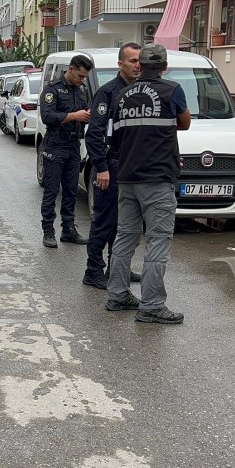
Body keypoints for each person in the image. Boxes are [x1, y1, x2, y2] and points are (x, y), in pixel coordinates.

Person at [105, 44, 191, 324]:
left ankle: (117, 294)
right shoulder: (172, 90)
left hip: (127, 177)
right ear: (164, 67)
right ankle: (152, 305)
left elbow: (115, 139)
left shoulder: (120, 95)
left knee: (125, 237)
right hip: (157, 178)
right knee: (157, 241)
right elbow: (185, 123)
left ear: (139, 66)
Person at [83, 43, 143, 289]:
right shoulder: (108, 93)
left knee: (125, 223)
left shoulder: (141, 92)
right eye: (132, 61)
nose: (137, 65)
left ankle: (119, 267)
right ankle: (93, 270)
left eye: (140, 61)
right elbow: (94, 134)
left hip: (132, 168)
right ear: (120, 64)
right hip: (111, 165)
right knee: (105, 222)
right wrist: (102, 167)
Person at [38, 54, 92, 248]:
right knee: (52, 191)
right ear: (70, 69)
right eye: (80, 75)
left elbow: (85, 112)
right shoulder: (53, 89)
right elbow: (47, 117)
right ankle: (48, 230)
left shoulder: (81, 90)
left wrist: (87, 116)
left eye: (85, 77)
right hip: (55, 144)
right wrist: (73, 116)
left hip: (73, 146)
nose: (82, 79)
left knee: (71, 191)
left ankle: (68, 229)